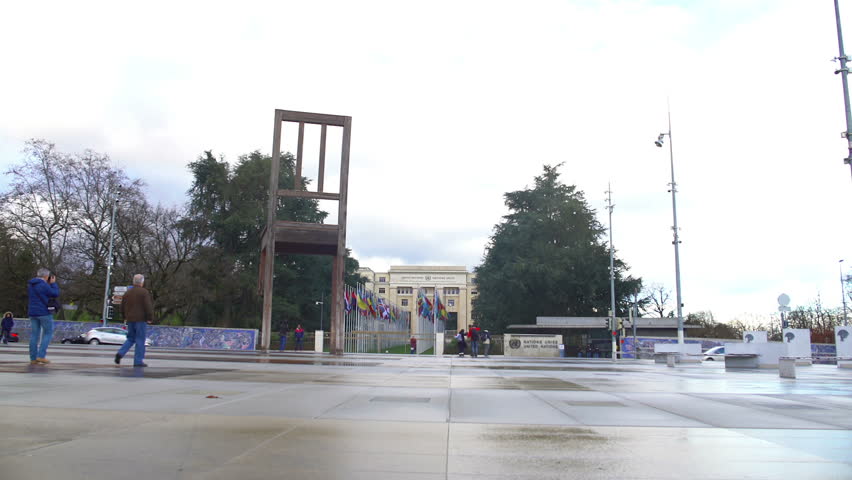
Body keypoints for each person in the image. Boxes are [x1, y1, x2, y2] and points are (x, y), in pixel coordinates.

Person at [114, 274, 154, 367]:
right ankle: (138, 361)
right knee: (140, 340)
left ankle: (120, 353)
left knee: (130, 338)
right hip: (141, 319)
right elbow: (148, 306)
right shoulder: (144, 292)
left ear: (133, 281)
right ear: (142, 282)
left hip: (130, 319)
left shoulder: (127, 293)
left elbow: (122, 306)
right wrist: (150, 317)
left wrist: (124, 317)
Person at [27, 268, 60, 364]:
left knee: (34, 335)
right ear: (46, 276)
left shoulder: (31, 284)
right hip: (44, 312)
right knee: (48, 333)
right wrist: (53, 283)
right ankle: (41, 356)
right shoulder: (43, 285)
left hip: (32, 312)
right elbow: (55, 293)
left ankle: (33, 358)